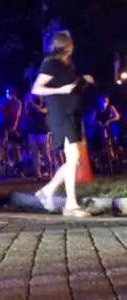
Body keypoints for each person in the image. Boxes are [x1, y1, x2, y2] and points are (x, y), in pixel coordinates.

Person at [32, 30, 94, 217]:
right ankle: (70, 203)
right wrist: (61, 89)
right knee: (73, 158)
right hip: (61, 115)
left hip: (72, 114)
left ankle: (48, 192)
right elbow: (36, 89)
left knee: (73, 160)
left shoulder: (68, 64)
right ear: (65, 45)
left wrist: (82, 82)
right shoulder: (51, 64)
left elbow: (71, 89)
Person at [0, 86, 23, 176]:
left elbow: (17, 115)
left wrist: (14, 127)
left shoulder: (17, 102)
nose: (9, 95)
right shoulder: (2, 101)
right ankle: (3, 165)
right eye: (8, 93)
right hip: (3, 126)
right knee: (2, 146)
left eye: (10, 93)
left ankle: (18, 167)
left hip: (13, 126)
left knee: (15, 147)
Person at [23, 92, 52, 180]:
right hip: (32, 130)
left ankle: (50, 172)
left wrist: (31, 102)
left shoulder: (46, 103)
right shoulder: (31, 104)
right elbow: (26, 113)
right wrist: (26, 103)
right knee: (34, 154)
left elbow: (42, 111)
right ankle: (38, 174)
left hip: (42, 130)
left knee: (45, 153)